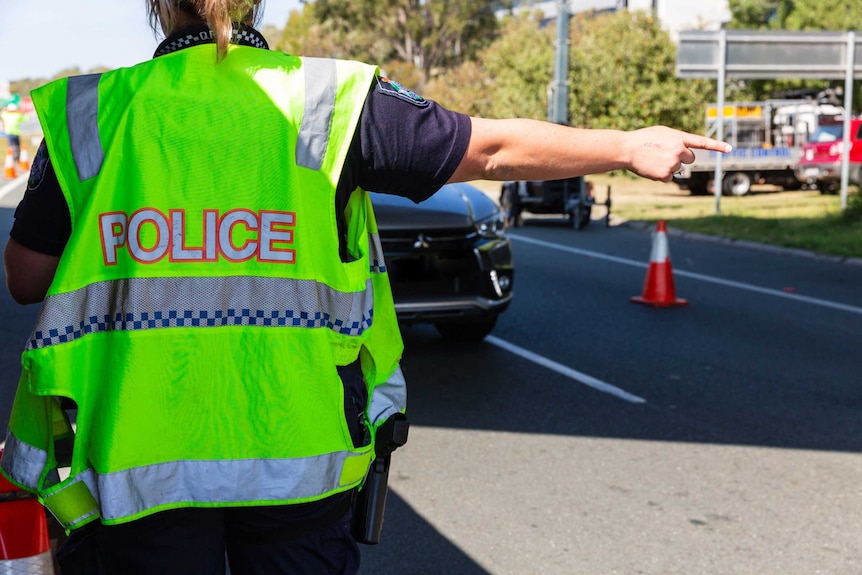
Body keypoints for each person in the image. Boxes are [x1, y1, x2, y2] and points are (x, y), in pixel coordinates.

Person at [0, 1, 731, 573]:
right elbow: (492, 148)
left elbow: (26, 277)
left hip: (134, 469)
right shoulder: (332, 100)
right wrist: (628, 146)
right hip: (299, 461)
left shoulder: (92, 112)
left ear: (159, 5)